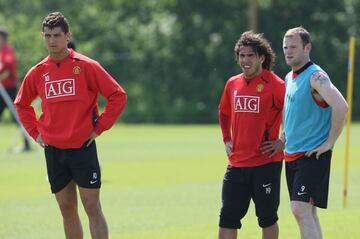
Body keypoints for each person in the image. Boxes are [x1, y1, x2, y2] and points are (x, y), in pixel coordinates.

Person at [14, 12, 127, 239]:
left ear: (68, 36)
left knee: (92, 205)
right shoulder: (37, 72)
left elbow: (117, 95)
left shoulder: (86, 66)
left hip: (82, 146)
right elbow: (22, 104)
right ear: (42, 37)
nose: (52, 40)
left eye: (57, 35)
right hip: (54, 149)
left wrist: (100, 127)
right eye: (47, 35)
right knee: (67, 209)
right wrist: (36, 133)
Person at [217, 31, 285, 239]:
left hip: (266, 164)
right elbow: (224, 112)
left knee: (267, 218)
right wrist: (227, 139)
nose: (245, 60)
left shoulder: (276, 85)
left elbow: (293, 115)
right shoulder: (233, 83)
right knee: (227, 217)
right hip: (236, 163)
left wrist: (283, 140)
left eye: (250, 56)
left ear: (261, 58)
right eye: (242, 55)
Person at [282, 26, 348, 239]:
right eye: (285, 47)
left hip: (312, 154)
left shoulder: (316, 76)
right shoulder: (289, 77)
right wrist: (283, 136)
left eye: (293, 47)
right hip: (291, 154)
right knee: (307, 211)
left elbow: (341, 106)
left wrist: (329, 142)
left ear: (307, 47)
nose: (288, 51)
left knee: (299, 209)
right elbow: (291, 112)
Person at [0, 26, 31, 152]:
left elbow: (8, 63)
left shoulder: (8, 50)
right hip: (1, 90)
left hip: (10, 90)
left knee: (17, 117)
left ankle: (27, 144)